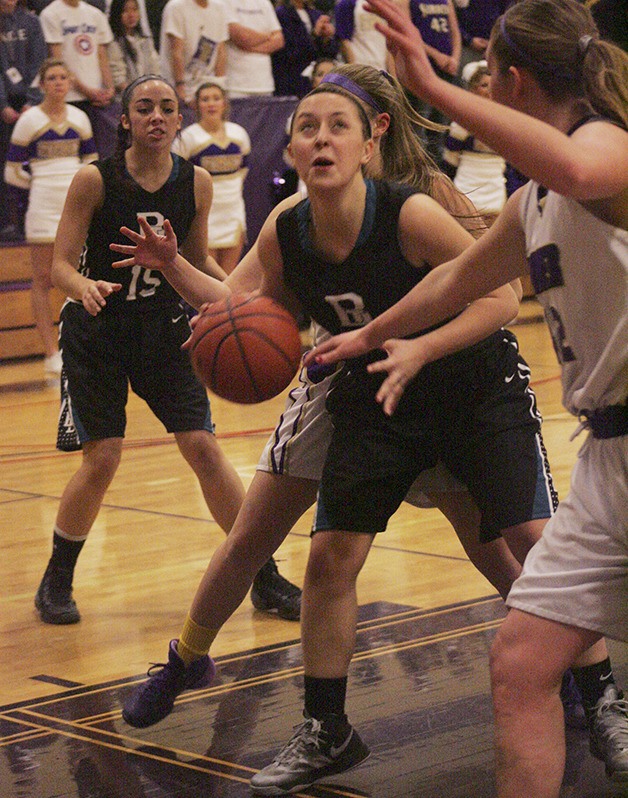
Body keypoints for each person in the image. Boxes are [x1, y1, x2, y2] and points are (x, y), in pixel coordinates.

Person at [310, 1, 628, 794]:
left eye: (488, 79)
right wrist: (372, 334)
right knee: (521, 662)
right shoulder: (532, 202)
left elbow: (583, 171)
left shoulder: (605, 147)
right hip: (607, 461)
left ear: (510, 82)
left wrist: (434, 82)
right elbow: (456, 278)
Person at [35, 74, 300, 626]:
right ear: (125, 120)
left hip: (165, 332)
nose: (157, 116)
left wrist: (236, 299)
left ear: (179, 120)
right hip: (98, 332)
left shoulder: (197, 182)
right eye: (144, 108)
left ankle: (264, 575)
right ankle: (57, 578)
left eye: (166, 108)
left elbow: (198, 258)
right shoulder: (94, 180)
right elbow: (59, 265)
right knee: (103, 457)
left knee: (203, 447)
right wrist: (83, 287)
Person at [4, 58, 97, 374]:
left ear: (70, 82)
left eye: (63, 77)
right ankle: (49, 353)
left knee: (78, 274)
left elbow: (91, 162)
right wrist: (43, 183)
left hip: (76, 206)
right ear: (41, 85)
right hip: (43, 207)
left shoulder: (80, 118)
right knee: (43, 278)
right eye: (52, 78)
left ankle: (80, 346)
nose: (59, 83)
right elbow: (13, 172)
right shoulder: (28, 122)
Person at [173, 80, 250, 274]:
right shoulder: (188, 138)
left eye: (216, 98)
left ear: (224, 103)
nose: (211, 104)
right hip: (204, 214)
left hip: (232, 210)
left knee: (230, 277)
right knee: (208, 278)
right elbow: (176, 177)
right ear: (197, 105)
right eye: (205, 99)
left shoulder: (239, 134)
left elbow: (243, 171)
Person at [39, 0, 115, 155]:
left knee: (98, 155)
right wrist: (85, 90)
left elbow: (102, 56)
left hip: (97, 100)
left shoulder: (95, 14)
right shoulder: (50, 14)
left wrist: (110, 88)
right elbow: (58, 62)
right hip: (69, 98)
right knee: (74, 154)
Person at [0, 0, 46, 241]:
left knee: (29, 163)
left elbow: (39, 63)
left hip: (28, 105)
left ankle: (26, 221)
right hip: (4, 105)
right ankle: (5, 223)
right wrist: (3, 105)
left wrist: (31, 101)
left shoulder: (31, 23)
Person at [442, 60, 506, 225]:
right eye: (484, 85)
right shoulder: (461, 122)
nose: (490, 90)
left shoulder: (507, 121)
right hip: (467, 188)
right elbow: (450, 162)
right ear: (472, 89)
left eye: (492, 85)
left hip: (496, 191)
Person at [159, 0, 228, 107]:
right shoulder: (176, 7)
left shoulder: (220, 7)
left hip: (206, 88)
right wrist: (181, 89)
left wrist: (220, 86)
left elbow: (221, 51)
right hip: (177, 89)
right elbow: (176, 52)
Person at [271, 0, 340, 98]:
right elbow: (289, 53)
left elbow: (328, 56)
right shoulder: (280, 14)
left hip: (314, 85)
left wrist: (326, 38)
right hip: (290, 83)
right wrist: (314, 35)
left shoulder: (316, 14)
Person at [224, 0, 284, 99]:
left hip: (264, 84)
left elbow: (279, 41)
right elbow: (241, 36)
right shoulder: (224, 2)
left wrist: (249, 46)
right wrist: (269, 36)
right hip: (235, 85)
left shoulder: (264, 2)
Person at [107, 0, 160, 99]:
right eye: (125, 11)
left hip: (150, 95)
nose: (131, 15)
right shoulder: (113, 43)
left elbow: (155, 69)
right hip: (124, 99)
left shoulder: (145, 40)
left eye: (134, 10)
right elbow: (119, 80)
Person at [335, 0, 394, 72]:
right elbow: (344, 41)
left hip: (383, 67)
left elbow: (390, 43)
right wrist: (355, 71)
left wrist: (392, 75)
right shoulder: (347, 4)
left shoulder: (388, 5)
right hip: (360, 65)